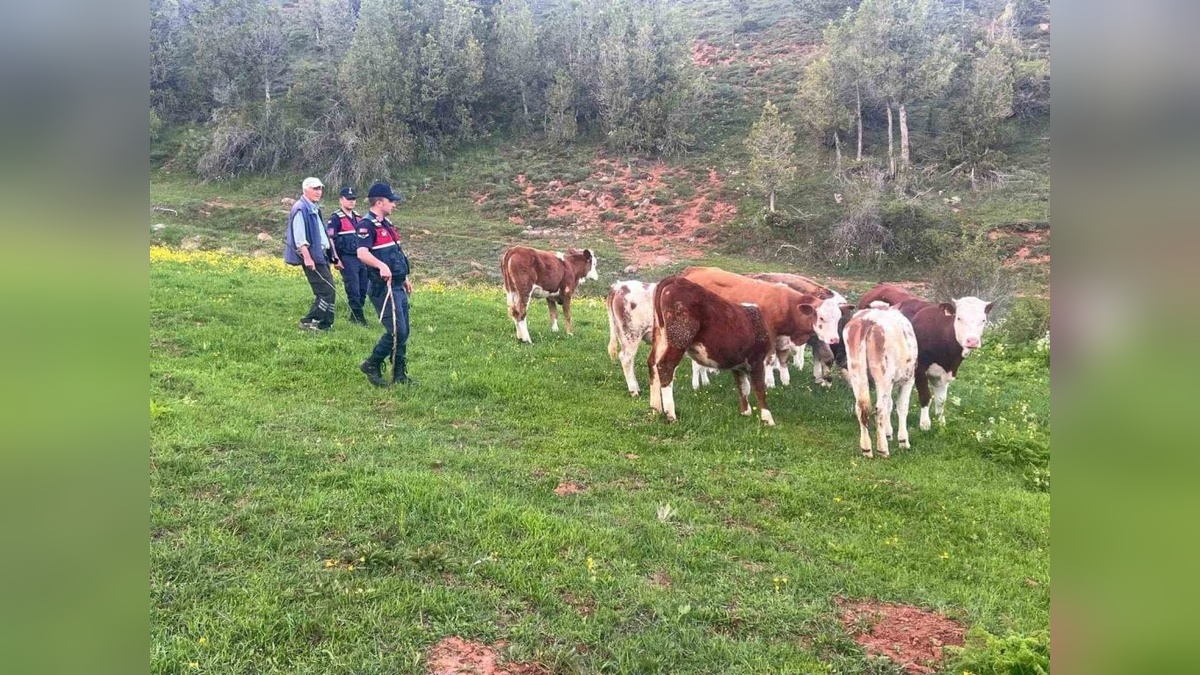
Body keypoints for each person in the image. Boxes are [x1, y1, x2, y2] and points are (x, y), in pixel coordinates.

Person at [356, 182, 416, 387]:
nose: (394, 204)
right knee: (396, 331)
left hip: (398, 285)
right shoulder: (366, 225)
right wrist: (380, 265)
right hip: (383, 288)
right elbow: (362, 253)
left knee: (404, 331)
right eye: (391, 201)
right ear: (379, 202)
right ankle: (372, 363)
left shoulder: (387, 224)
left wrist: (404, 277)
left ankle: (399, 374)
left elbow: (395, 254)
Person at [284, 177, 337, 331]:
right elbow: (300, 239)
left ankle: (325, 324)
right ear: (305, 189)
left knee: (329, 289)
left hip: (321, 255)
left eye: (320, 189)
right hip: (313, 257)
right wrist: (307, 258)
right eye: (315, 189)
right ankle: (309, 321)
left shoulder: (313, 207)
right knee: (325, 290)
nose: (318, 192)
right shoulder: (301, 208)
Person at [326, 186, 369, 325]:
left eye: (353, 199)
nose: (352, 201)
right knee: (353, 289)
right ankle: (358, 317)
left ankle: (354, 315)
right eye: (348, 199)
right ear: (341, 200)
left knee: (363, 288)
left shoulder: (358, 217)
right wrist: (335, 258)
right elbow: (330, 239)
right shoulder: (335, 218)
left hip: (361, 257)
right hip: (347, 258)